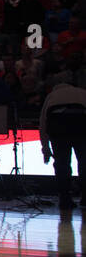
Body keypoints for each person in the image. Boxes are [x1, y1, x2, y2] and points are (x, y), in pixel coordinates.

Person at [40, 81, 86, 210]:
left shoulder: (51, 96)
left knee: (62, 165)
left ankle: (65, 198)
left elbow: (43, 124)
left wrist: (45, 149)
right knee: (84, 164)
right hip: (81, 131)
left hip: (58, 133)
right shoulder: (82, 93)